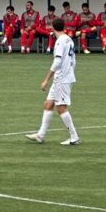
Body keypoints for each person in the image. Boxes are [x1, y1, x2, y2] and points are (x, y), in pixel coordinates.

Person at [25, 18, 80, 146]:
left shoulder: (60, 42)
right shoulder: (69, 39)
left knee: (61, 108)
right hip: (63, 77)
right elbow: (74, 60)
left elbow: (57, 62)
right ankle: (41, 135)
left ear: (52, 27)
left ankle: (74, 137)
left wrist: (46, 80)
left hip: (62, 79)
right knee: (48, 104)